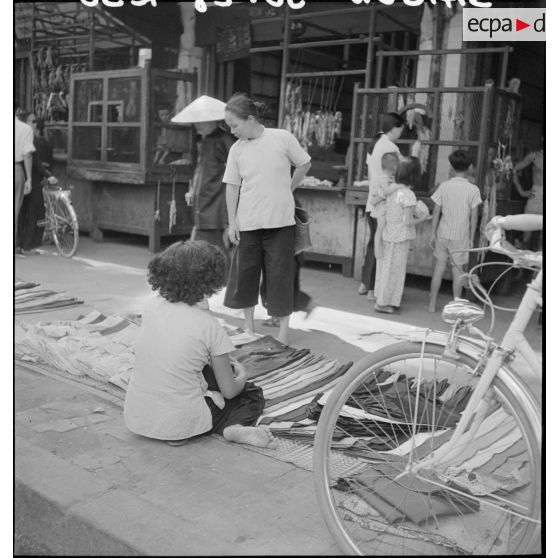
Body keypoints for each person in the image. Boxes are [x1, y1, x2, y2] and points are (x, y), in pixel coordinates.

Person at [124, 240, 276, 448]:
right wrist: (242, 374)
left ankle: (182, 421)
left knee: (195, 370)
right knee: (250, 393)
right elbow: (230, 391)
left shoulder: (151, 305)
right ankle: (234, 427)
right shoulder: (209, 326)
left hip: (139, 414)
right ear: (210, 283)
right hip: (180, 422)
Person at [222, 93, 312, 346]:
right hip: (248, 223)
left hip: (281, 222)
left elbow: (304, 164)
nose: (232, 131)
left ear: (250, 119)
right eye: (229, 126)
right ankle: (248, 327)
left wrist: (289, 188)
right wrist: (232, 223)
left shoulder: (281, 138)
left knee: (281, 275)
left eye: (235, 125)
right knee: (246, 275)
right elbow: (231, 187)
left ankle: (283, 331)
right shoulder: (237, 149)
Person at [177, 96, 235, 260]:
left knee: (213, 244)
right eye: (196, 123)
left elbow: (236, 171)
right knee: (204, 243)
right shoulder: (205, 140)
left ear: (213, 121)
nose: (197, 126)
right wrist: (192, 188)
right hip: (204, 200)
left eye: (201, 122)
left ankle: (223, 278)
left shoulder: (224, 140)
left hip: (216, 200)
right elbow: (200, 170)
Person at [373, 156, 431, 313]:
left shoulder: (393, 190)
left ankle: (381, 298)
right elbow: (407, 221)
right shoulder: (408, 195)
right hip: (399, 238)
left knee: (386, 270)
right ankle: (383, 304)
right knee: (394, 272)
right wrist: (423, 219)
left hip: (388, 235)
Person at [428, 150, 482, 313]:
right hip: (460, 236)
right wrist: (472, 238)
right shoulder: (473, 190)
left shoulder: (444, 186)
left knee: (439, 268)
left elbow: (436, 212)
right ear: (470, 167)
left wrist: (432, 233)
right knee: (458, 271)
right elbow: (474, 217)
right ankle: (455, 308)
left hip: (443, 233)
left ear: (451, 167)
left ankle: (432, 305)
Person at [358, 113, 405, 301]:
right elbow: (403, 170)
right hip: (384, 202)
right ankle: (372, 289)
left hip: (373, 199)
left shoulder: (377, 144)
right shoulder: (390, 146)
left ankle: (366, 284)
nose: (401, 133)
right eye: (401, 129)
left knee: (374, 242)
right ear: (394, 128)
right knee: (381, 243)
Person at [17, 113, 58, 255]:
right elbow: (34, 160)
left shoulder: (22, 135)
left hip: (24, 177)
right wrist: (48, 175)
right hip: (31, 180)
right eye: (32, 121)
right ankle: (28, 246)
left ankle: (19, 245)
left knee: (22, 212)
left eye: (36, 122)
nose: (35, 124)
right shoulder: (30, 138)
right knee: (38, 213)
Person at [368, 152, 402, 260]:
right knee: (380, 228)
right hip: (382, 207)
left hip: (383, 206)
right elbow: (386, 191)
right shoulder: (383, 178)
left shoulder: (384, 177)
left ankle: (379, 248)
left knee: (381, 228)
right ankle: (377, 250)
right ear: (394, 166)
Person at [512, 143, 544, 247]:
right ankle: (520, 259)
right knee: (527, 232)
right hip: (536, 194)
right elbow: (514, 169)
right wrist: (521, 191)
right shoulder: (534, 156)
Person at [14, 101, 35, 253]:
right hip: (17, 170)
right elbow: (27, 154)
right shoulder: (26, 129)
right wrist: (29, 178)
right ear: (18, 110)